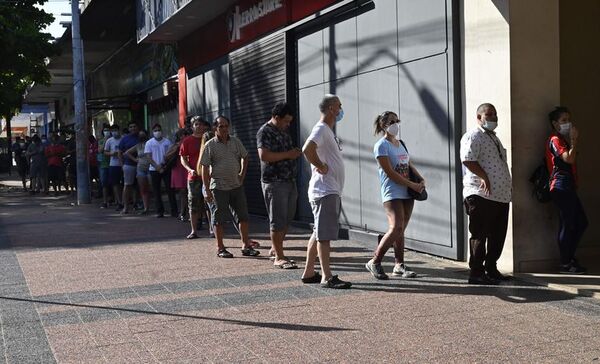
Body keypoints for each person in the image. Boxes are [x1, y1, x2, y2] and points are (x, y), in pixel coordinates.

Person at [365, 111, 424, 280]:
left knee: (401, 229)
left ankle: (399, 264)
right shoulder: (381, 145)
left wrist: (419, 178)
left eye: (397, 120)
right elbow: (389, 172)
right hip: (392, 191)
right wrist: (412, 184)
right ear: (383, 125)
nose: (395, 124)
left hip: (407, 192)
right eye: (392, 121)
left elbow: (408, 164)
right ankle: (375, 261)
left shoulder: (400, 143)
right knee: (396, 227)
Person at [300, 94, 351, 289]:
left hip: (328, 190)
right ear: (331, 109)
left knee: (317, 232)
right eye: (339, 106)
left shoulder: (327, 130)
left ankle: (309, 272)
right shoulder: (321, 129)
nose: (341, 110)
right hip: (325, 190)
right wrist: (320, 165)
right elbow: (307, 149)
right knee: (324, 236)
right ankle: (327, 276)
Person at [460, 103, 512, 285]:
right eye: (489, 115)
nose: (493, 118)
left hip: (501, 195)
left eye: (495, 115)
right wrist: (484, 176)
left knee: (498, 234)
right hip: (481, 194)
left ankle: (491, 268)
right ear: (479, 117)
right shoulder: (473, 136)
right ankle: (476, 272)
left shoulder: (494, 138)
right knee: (480, 233)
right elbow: (467, 159)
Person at [200, 115, 260, 258]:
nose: (224, 129)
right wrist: (207, 189)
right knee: (219, 218)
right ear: (215, 128)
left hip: (236, 185)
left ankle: (245, 245)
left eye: (226, 126)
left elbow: (245, 156)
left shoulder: (235, 141)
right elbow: (204, 167)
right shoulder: (210, 145)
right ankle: (220, 248)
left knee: (243, 216)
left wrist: (241, 174)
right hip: (218, 187)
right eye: (221, 126)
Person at [256, 102, 303, 269]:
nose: (288, 124)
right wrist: (288, 155)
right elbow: (264, 155)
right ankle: (279, 257)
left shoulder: (283, 131)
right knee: (277, 220)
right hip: (274, 181)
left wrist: (294, 153)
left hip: (289, 180)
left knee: (287, 218)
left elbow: (288, 152)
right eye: (286, 121)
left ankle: (275, 248)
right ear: (276, 117)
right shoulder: (265, 131)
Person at [546, 106, 588, 274]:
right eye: (564, 120)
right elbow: (568, 159)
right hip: (560, 186)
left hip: (569, 185)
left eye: (569, 120)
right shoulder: (555, 139)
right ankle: (565, 262)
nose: (568, 123)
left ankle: (569, 256)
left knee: (580, 222)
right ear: (555, 124)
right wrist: (574, 140)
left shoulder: (562, 139)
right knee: (567, 223)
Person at [180, 116, 209, 239]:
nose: (199, 126)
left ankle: (212, 229)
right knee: (193, 204)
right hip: (193, 177)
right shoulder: (187, 141)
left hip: (207, 176)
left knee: (209, 203)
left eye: (201, 124)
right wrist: (189, 169)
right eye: (196, 124)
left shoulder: (208, 139)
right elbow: (183, 158)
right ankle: (193, 230)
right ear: (192, 127)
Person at [145, 123, 177, 218]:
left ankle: (174, 211)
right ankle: (159, 211)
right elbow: (148, 157)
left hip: (166, 168)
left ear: (161, 131)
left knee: (170, 190)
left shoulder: (167, 142)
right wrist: (157, 167)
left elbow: (171, 155)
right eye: (155, 130)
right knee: (156, 191)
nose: (157, 132)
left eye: (159, 130)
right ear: (152, 132)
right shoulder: (149, 143)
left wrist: (164, 166)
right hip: (154, 170)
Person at [125, 129, 157, 215]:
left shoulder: (151, 143)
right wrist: (135, 160)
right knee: (143, 189)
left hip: (151, 168)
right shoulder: (138, 146)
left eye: (143, 135)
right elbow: (127, 153)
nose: (142, 136)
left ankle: (157, 206)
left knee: (153, 188)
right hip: (141, 169)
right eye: (140, 135)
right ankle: (146, 208)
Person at [118, 122, 140, 214]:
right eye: (131, 127)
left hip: (141, 166)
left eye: (134, 126)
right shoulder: (124, 139)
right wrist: (122, 165)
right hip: (128, 165)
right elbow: (119, 153)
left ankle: (137, 204)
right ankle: (125, 207)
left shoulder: (141, 137)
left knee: (139, 186)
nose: (133, 128)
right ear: (128, 128)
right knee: (127, 185)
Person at [169, 128, 190, 221]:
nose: (183, 136)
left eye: (185, 134)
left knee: (188, 192)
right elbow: (166, 156)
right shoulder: (176, 145)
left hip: (189, 167)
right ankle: (183, 212)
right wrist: (177, 148)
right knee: (182, 191)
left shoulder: (190, 142)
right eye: (181, 135)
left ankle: (186, 212)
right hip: (179, 168)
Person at [104, 124, 124, 210]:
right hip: (113, 164)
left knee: (125, 184)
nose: (115, 132)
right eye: (113, 131)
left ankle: (126, 201)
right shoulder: (109, 140)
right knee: (115, 184)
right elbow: (105, 152)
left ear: (119, 130)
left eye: (116, 130)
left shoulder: (123, 139)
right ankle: (119, 202)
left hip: (123, 164)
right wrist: (112, 154)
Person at [97, 124, 112, 208]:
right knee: (104, 184)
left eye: (108, 130)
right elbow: (100, 150)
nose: (106, 132)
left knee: (114, 183)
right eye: (105, 130)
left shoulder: (113, 140)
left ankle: (115, 200)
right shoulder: (101, 141)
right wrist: (105, 140)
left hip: (113, 164)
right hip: (103, 164)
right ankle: (105, 201)